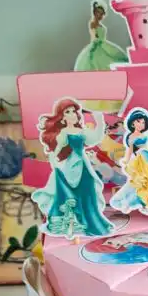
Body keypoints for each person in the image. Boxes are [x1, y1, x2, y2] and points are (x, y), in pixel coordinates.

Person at [32, 98, 113, 237]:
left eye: (74, 111)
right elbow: (57, 150)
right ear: (62, 117)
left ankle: (91, 222)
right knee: (71, 194)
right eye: (67, 112)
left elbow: (95, 138)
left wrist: (99, 121)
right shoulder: (64, 132)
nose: (72, 114)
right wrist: (55, 164)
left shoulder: (81, 131)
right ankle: (73, 223)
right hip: (70, 167)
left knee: (88, 192)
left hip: (83, 166)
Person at [109, 109, 148, 213]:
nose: (141, 124)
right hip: (139, 160)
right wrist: (126, 160)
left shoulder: (146, 135)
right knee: (138, 182)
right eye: (138, 121)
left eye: (143, 122)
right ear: (132, 123)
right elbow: (130, 150)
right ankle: (132, 201)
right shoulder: (131, 136)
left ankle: (144, 201)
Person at [74, 0, 129, 71]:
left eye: (102, 13)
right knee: (96, 61)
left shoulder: (101, 25)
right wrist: (95, 39)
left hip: (103, 44)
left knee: (113, 56)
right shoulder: (92, 23)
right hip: (97, 44)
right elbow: (94, 34)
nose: (100, 15)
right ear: (94, 12)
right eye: (98, 13)